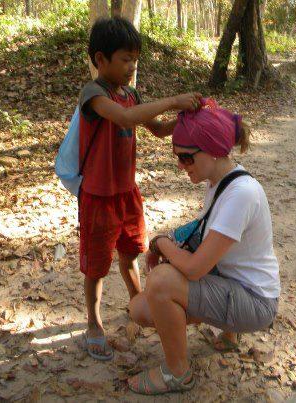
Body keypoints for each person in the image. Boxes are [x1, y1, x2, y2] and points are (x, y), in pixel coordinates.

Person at [127, 100, 281, 394]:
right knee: (140, 309)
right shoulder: (221, 181)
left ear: (211, 150)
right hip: (238, 285)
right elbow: (204, 229)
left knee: (160, 282)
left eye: (186, 158)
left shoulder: (241, 194)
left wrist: (161, 243)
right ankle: (229, 334)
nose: (180, 166)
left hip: (256, 302)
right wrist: (169, 241)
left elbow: (196, 268)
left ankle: (177, 373)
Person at [79, 16, 202, 361]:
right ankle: (94, 322)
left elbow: (159, 129)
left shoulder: (131, 94)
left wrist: (193, 115)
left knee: (130, 252)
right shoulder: (93, 94)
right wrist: (173, 100)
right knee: (96, 266)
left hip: (127, 194)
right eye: (125, 59)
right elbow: (124, 119)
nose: (132, 67)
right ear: (101, 59)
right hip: (98, 197)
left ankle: (138, 304)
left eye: (135, 59)